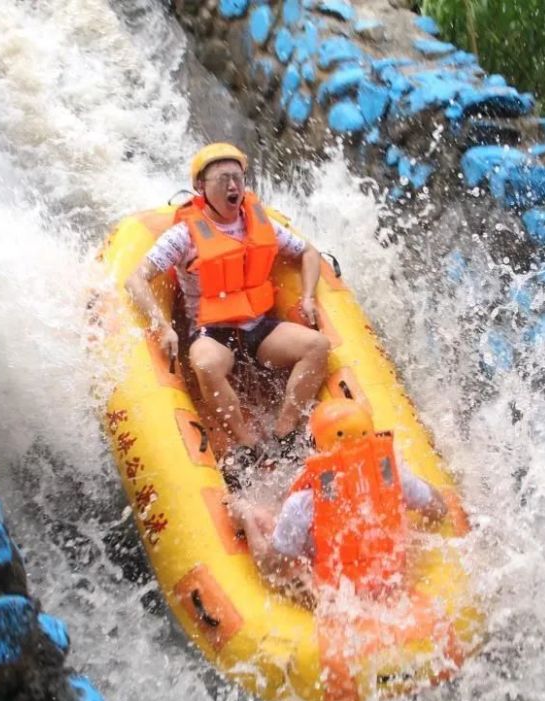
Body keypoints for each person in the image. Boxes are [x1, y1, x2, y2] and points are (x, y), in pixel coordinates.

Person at [125, 143, 330, 478]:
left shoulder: (260, 223)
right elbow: (136, 279)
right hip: (212, 332)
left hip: (260, 326)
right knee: (204, 363)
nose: (233, 187)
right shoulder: (183, 235)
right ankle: (247, 443)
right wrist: (162, 325)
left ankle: (284, 432)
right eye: (222, 180)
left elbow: (309, 252)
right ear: (201, 188)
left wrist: (307, 297)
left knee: (317, 347)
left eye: (237, 178)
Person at [229, 399, 449, 606]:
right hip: (391, 583)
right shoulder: (397, 477)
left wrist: (246, 519)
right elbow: (439, 509)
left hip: (336, 599)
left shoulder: (302, 504)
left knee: (260, 517)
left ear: (316, 447)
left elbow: (273, 569)